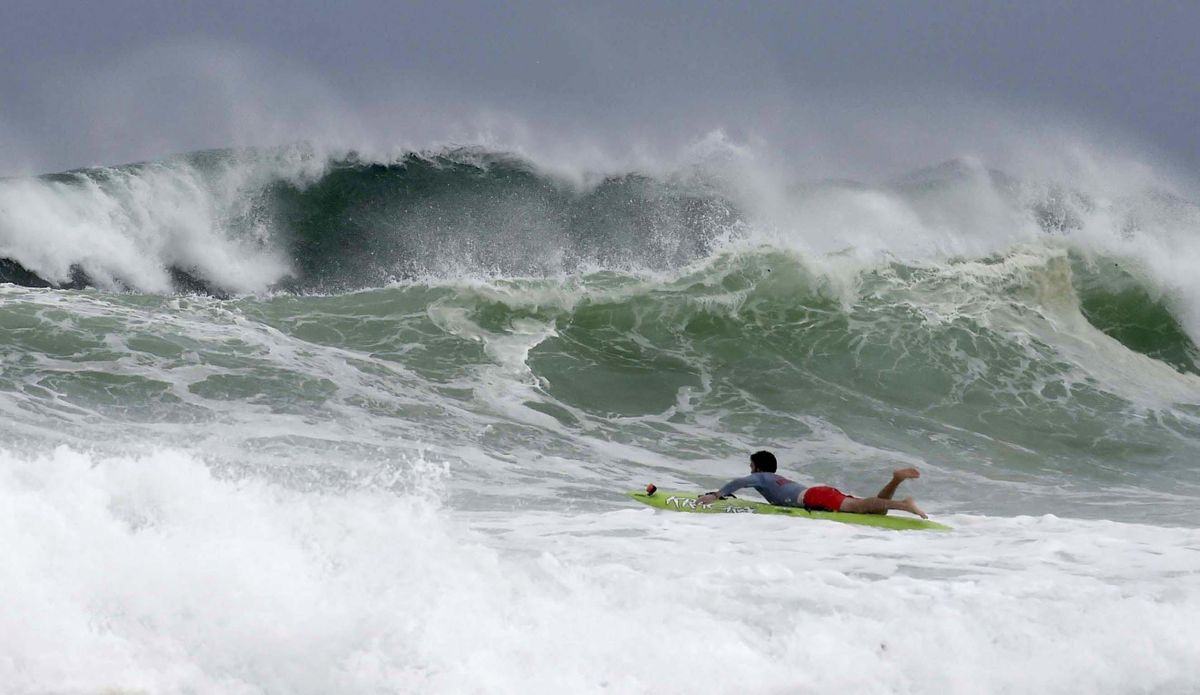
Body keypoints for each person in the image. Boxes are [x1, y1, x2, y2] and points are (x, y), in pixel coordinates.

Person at [696, 450, 927, 518]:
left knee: (863, 506)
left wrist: (716, 495)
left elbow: (740, 482)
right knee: (874, 510)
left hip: (814, 498)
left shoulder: (762, 477)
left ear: (757, 467)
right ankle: (896, 479)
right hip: (818, 493)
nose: (750, 470)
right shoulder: (775, 478)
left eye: (751, 465)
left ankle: (905, 504)